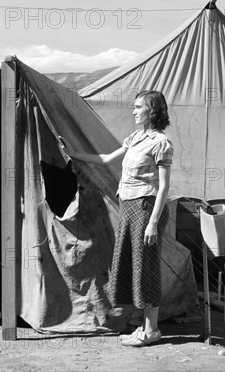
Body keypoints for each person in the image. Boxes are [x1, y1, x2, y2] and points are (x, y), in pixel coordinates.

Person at [60, 90, 173, 347]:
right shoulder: (134, 138)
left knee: (147, 267)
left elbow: (164, 187)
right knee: (134, 266)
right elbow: (106, 159)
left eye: (138, 107)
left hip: (147, 208)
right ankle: (145, 327)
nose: (133, 111)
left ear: (152, 111)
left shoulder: (161, 143)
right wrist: (73, 153)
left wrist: (154, 221)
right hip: (128, 206)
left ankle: (152, 329)